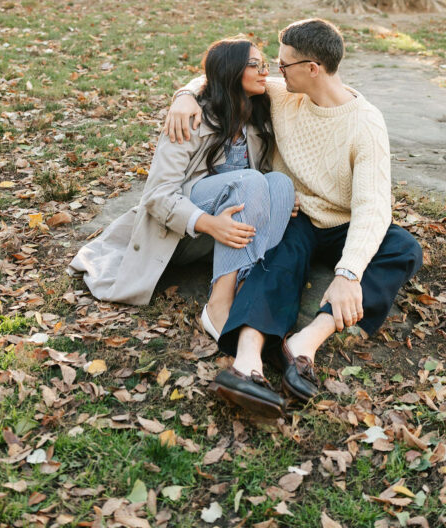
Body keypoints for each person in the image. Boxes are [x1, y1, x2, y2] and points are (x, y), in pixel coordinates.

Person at [165, 18, 423, 418]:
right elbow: (225, 74)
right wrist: (183, 95)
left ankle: (304, 342)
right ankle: (247, 360)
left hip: (343, 224)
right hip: (298, 212)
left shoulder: (366, 124)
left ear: (312, 69)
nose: (274, 72)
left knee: (403, 248)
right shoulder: (286, 94)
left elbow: (373, 208)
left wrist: (348, 274)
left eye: (283, 64)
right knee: (278, 259)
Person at [69, 38, 295, 341]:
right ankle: (219, 305)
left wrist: (277, 201)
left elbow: (314, 85)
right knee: (250, 179)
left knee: (279, 183)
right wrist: (210, 224)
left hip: (229, 236)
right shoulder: (190, 118)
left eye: (264, 65)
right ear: (230, 71)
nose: (264, 72)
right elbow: (157, 195)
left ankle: (249, 287)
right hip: (179, 236)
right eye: (254, 65)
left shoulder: (256, 119)